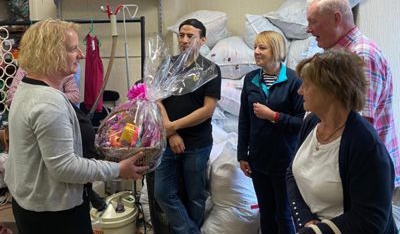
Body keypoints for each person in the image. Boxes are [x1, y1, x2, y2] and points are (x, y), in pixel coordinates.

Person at [4, 19, 149, 234]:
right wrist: (118, 169)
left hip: (32, 206)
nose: (81, 54)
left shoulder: (26, 89)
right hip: (53, 216)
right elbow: (65, 168)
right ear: (51, 53)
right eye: (73, 49)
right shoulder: (48, 103)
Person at [287, 50, 397, 234]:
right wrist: (306, 220)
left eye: (307, 84)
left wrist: (315, 231)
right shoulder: (311, 123)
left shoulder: (365, 144)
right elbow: (292, 173)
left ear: (330, 90)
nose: (300, 90)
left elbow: (371, 219)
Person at [306, 0, 400, 186]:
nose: (308, 29)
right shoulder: (339, 55)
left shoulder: (361, 56)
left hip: (368, 172)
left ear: (337, 19)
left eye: (313, 22)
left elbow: (360, 123)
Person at [154, 18, 221, 234]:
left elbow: (207, 109)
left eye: (189, 36)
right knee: (162, 192)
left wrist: (174, 125)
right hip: (167, 140)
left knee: (195, 195)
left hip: (197, 144)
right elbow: (156, 99)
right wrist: (170, 132)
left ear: (202, 40)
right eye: (180, 35)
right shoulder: (167, 65)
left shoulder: (210, 69)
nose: (183, 40)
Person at [237, 30, 304, 234]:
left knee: (283, 214)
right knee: (266, 212)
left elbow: (303, 123)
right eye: (255, 47)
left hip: (285, 159)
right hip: (258, 159)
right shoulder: (251, 79)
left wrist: (274, 116)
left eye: (262, 47)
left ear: (276, 50)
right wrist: (242, 155)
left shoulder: (294, 80)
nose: (256, 51)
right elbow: (244, 119)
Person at [7, 67, 80, 107]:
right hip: (30, 117)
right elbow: (11, 99)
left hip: (57, 114)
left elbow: (75, 96)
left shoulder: (63, 67)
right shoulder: (26, 66)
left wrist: (50, 98)